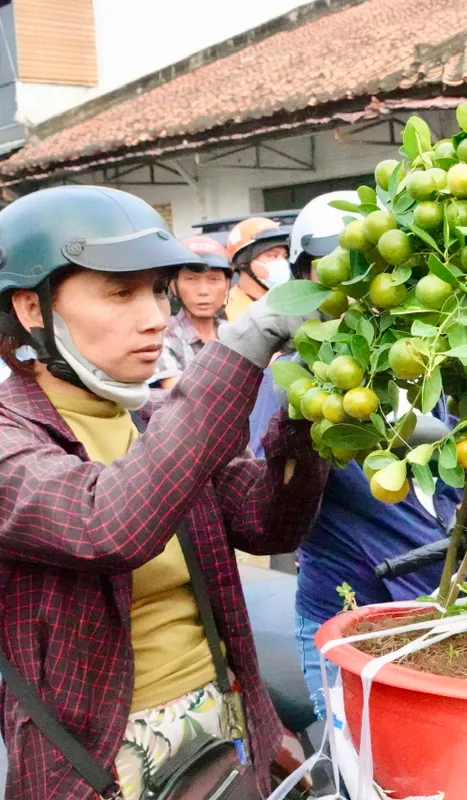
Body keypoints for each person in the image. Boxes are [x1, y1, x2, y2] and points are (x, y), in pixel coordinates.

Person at [0, 186, 328, 800]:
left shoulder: (155, 421)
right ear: (30, 308)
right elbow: (105, 524)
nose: (153, 315)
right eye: (120, 292)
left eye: (155, 289)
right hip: (97, 762)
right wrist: (243, 345)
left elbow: (266, 524)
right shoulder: (10, 440)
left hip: (223, 732)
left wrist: (307, 410)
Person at [246, 191, 460, 720]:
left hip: (449, 612)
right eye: (335, 269)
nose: (356, 285)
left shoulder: (439, 365)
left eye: (373, 268)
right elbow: (262, 490)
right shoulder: (295, 382)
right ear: (303, 280)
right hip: (350, 617)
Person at [153, 236, 233, 389]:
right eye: (191, 279)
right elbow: (180, 392)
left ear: (227, 285)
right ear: (174, 286)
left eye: (214, 279)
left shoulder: (237, 334)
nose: (203, 291)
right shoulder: (161, 336)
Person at [223, 216, 291, 321]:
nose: (281, 262)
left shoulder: (291, 304)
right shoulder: (226, 311)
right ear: (243, 262)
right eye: (273, 256)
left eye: (284, 256)